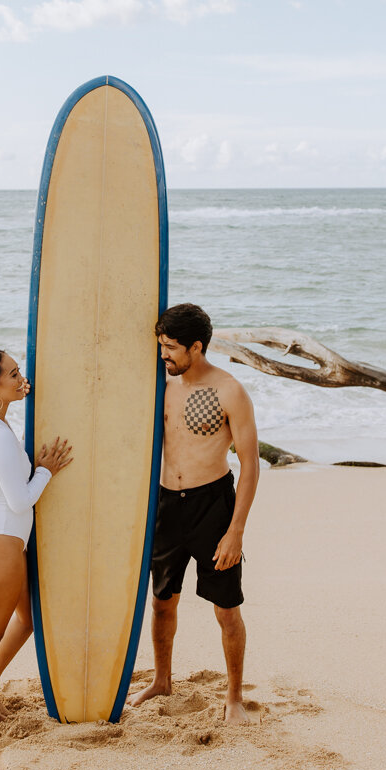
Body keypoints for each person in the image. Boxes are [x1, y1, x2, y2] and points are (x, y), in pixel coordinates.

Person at [128, 303, 259, 724]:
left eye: (170, 347)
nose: (162, 354)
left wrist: (235, 531)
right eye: (160, 345)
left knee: (226, 608)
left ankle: (234, 697)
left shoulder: (229, 391)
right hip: (167, 504)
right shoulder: (159, 386)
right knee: (162, 601)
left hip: (212, 506)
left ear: (196, 347)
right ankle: (162, 680)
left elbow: (251, 465)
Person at [0, 348, 72, 730]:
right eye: (12, 374)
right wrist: (46, 471)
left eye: (19, 369)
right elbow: (20, 500)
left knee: (26, 619)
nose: (20, 378)